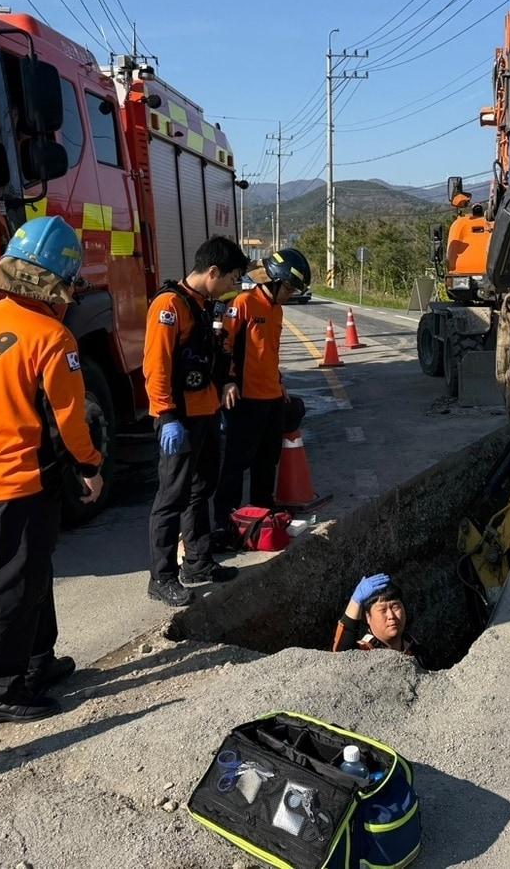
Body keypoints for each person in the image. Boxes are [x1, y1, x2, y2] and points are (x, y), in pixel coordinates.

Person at [0, 216, 103, 723]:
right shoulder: (53, 338)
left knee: (29, 572)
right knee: (14, 586)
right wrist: (91, 467)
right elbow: (71, 420)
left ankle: (37, 664)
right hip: (24, 479)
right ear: (58, 281)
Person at [145, 235, 249, 607]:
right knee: (171, 497)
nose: (235, 285)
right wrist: (167, 415)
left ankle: (198, 562)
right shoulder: (169, 305)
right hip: (180, 418)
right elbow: (156, 367)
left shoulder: (204, 306)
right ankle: (161, 577)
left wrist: (226, 384)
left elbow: (215, 356)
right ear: (213, 271)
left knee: (200, 490)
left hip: (205, 413)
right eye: (233, 277)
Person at [213, 248, 311, 548]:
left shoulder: (276, 311)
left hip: (270, 397)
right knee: (236, 462)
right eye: (290, 288)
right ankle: (225, 522)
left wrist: (279, 383)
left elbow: (270, 353)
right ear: (276, 281)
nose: (291, 295)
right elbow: (224, 346)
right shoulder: (244, 303)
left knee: (267, 461)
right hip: (246, 399)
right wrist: (228, 382)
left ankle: (261, 515)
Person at [331, 574, 419, 659]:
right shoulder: (365, 651)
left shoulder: (416, 649)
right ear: (367, 617)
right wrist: (355, 602)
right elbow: (342, 654)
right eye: (382, 610)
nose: (391, 616)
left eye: (395, 607)